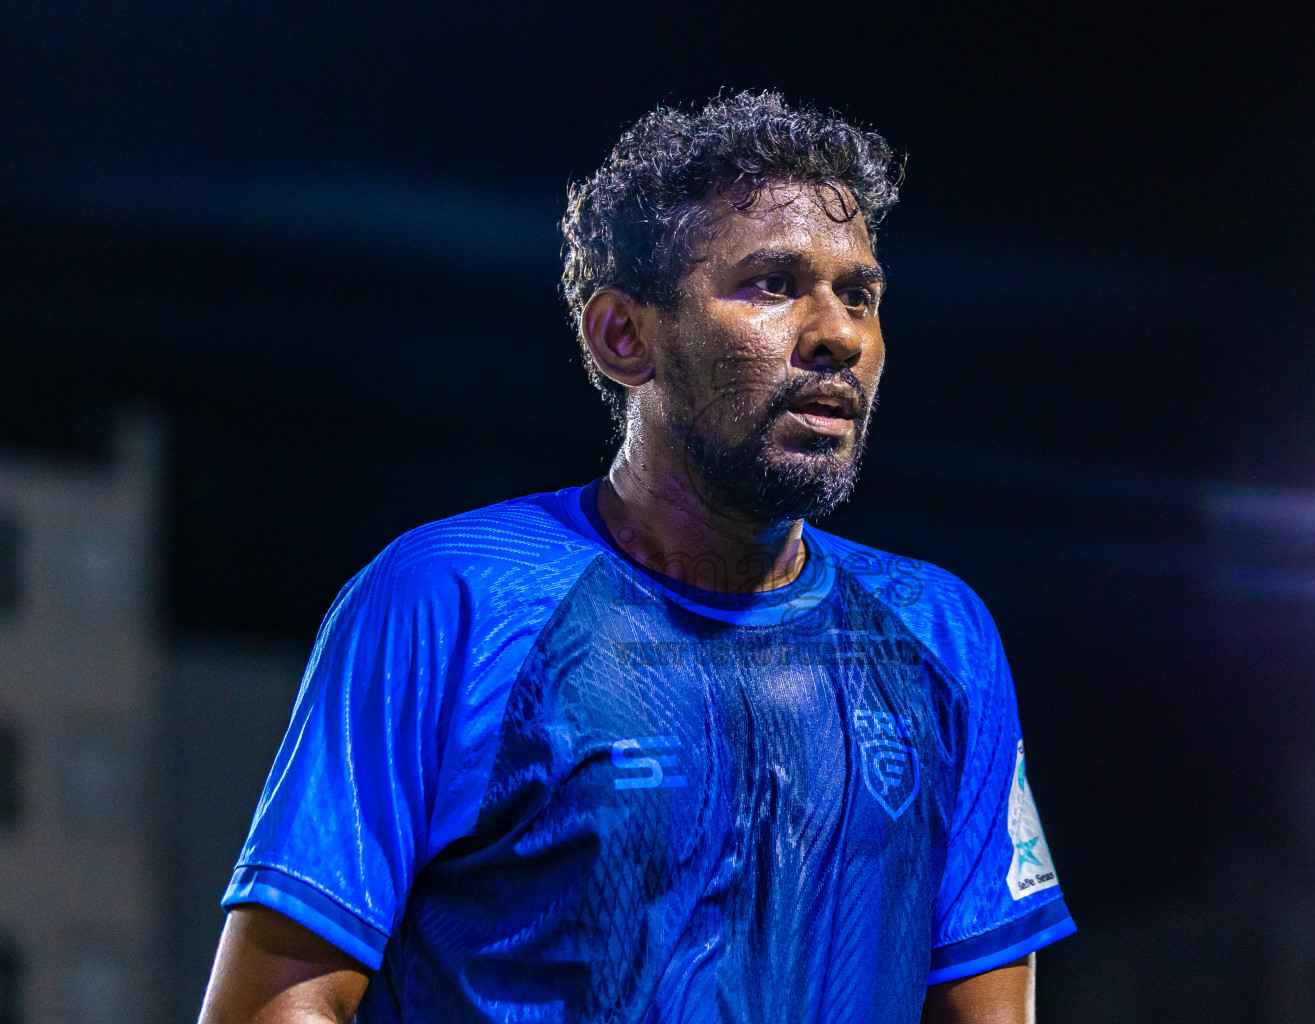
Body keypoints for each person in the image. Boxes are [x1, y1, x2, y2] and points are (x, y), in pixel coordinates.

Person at [198, 90, 1075, 1024]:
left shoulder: (942, 635)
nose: (839, 335)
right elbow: (277, 1005)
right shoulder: (445, 599)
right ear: (624, 336)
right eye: (773, 285)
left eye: (858, 294)